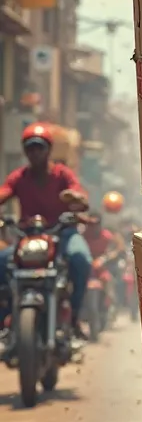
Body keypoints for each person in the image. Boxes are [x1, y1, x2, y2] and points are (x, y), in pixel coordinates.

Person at [0, 123, 92, 338]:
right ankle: (5, 319)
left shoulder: (62, 174)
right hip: (28, 236)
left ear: (48, 150)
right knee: (2, 262)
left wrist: (76, 199)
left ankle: (75, 317)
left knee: (81, 259)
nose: (34, 153)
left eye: (39, 148)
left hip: (62, 233)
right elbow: (5, 191)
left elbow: (79, 194)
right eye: (30, 148)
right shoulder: (19, 177)